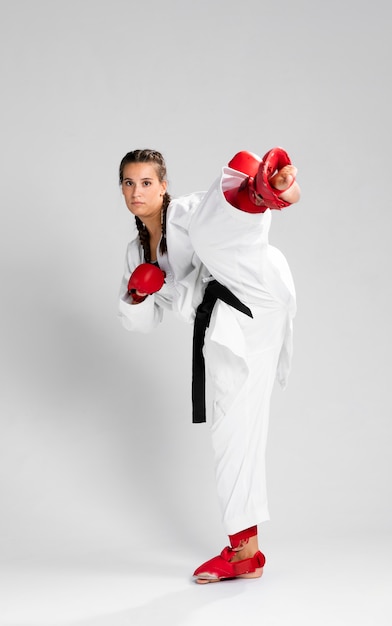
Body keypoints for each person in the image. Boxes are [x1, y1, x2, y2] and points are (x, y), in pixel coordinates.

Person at [117, 147, 300, 583]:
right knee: (231, 431)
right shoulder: (136, 253)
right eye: (128, 183)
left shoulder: (187, 213)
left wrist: (252, 197)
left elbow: (221, 232)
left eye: (146, 182)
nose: (136, 191)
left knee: (206, 228)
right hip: (231, 327)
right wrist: (138, 294)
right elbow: (140, 325)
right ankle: (245, 550)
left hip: (252, 285)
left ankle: (258, 191)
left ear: (163, 186)